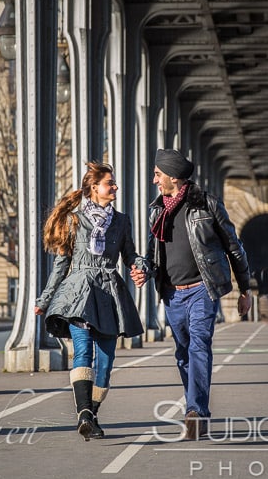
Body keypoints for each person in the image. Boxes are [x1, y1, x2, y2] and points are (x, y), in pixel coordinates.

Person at [135, 149, 251, 441]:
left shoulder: (207, 204)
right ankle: (197, 411)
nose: (154, 180)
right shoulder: (157, 210)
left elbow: (233, 246)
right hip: (172, 293)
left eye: (158, 175)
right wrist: (144, 270)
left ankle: (195, 411)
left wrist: (244, 288)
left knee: (200, 344)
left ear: (173, 176)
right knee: (183, 353)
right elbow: (152, 253)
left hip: (202, 288)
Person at [35, 161, 149, 441]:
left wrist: (140, 266)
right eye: (110, 183)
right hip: (79, 293)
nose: (115, 187)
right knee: (83, 353)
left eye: (114, 183)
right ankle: (84, 414)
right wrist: (45, 299)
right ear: (94, 188)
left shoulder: (121, 221)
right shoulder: (74, 220)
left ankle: (92, 413)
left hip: (110, 295)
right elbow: (61, 265)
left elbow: (130, 254)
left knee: (106, 363)